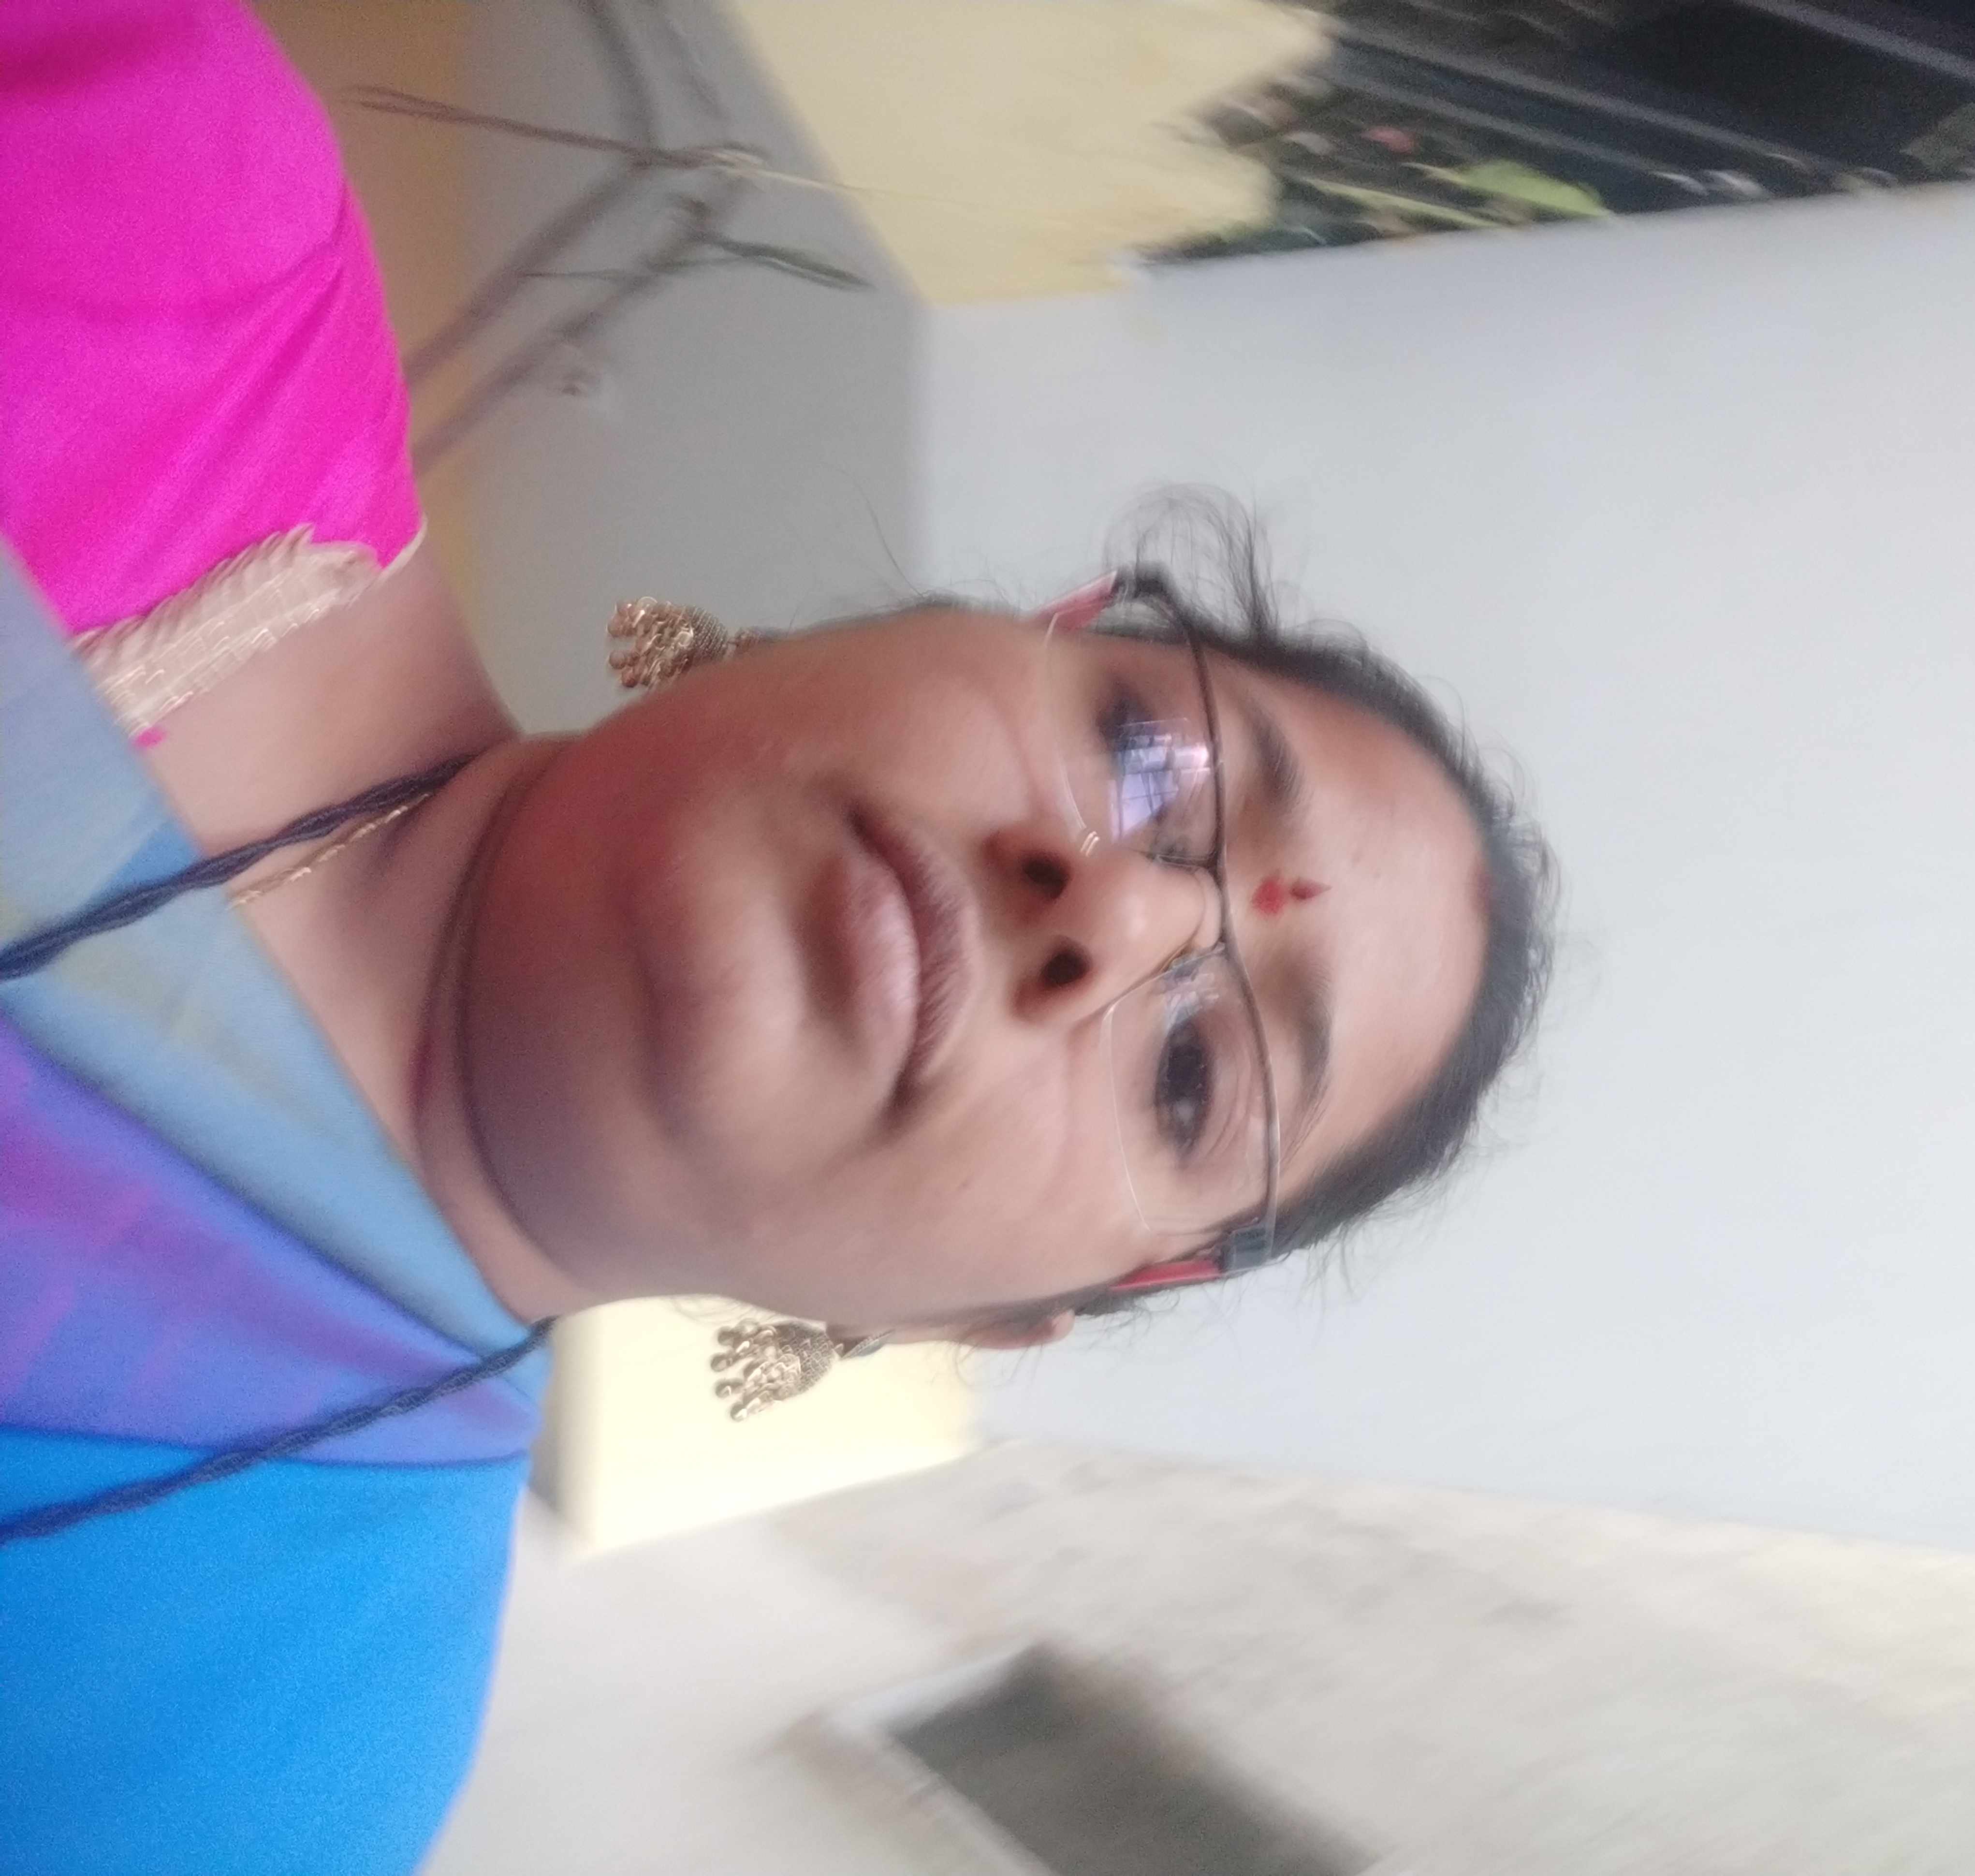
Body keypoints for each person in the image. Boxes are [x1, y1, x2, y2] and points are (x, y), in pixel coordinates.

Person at [0, 4, 1555, 1873]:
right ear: (991, 625)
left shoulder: (259, 1760)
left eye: (1189, 1074)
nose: (1118, 912)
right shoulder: (156, 203)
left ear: (983, 1321)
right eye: (1151, 759)